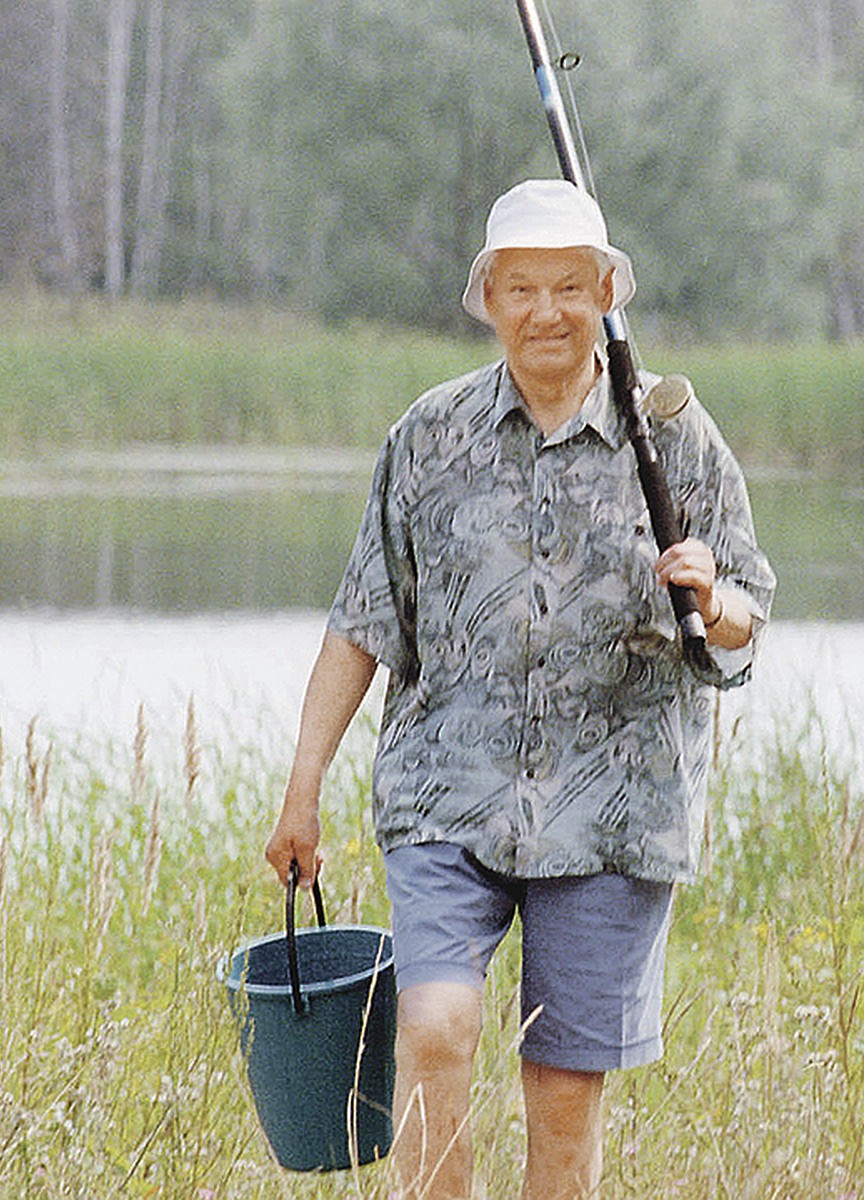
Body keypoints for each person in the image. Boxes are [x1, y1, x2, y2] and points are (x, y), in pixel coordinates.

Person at [264, 179, 775, 1199]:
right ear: (490, 298)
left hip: (616, 809)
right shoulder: (428, 435)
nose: (548, 311)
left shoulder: (672, 436)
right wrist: (303, 783)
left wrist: (709, 594)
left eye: (571, 287)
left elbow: (743, 623)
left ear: (606, 297)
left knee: (561, 1097)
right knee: (436, 1026)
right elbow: (363, 617)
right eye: (524, 288)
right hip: (446, 794)